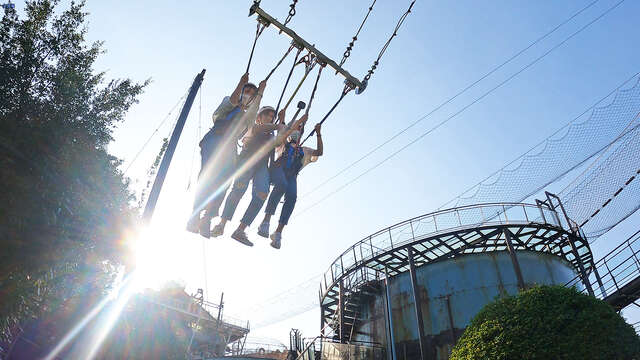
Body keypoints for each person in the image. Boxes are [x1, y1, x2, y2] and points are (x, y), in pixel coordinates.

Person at [187, 73, 266, 238]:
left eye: (252, 93)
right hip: (215, 140)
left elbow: (254, 109)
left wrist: (261, 92)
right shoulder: (229, 103)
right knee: (208, 176)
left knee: (224, 182)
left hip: (229, 148)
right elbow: (231, 102)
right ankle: (195, 216)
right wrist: (240, 83)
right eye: (247, 91)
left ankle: (207, 217)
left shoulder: (248, 116)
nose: (249, 94)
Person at [210, 105, 302, 246]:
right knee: (238, 190)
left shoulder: (271, 135)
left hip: (262, 166)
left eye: (272, 116)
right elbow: (260, 129)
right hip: (248, 162)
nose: (269, 117)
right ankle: (222, 224)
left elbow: (280, 139)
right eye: (267, 115)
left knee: (262, 194)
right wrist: (278, 125)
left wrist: (286, 123)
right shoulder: (253, 127)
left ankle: (241, 229)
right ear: (259, 117)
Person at [257, 120, 323, 249]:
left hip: (292, 176)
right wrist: (285, 121)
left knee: (292, 197)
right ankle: (266, 221)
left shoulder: (304, 150)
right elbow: (282, 131)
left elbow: (319, 152)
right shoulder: (283, 143)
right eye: (295, 129)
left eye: (300, 130)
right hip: (279, 171)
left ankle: (278, 233)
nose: (297, 132)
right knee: (281, 185)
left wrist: (319, 134)